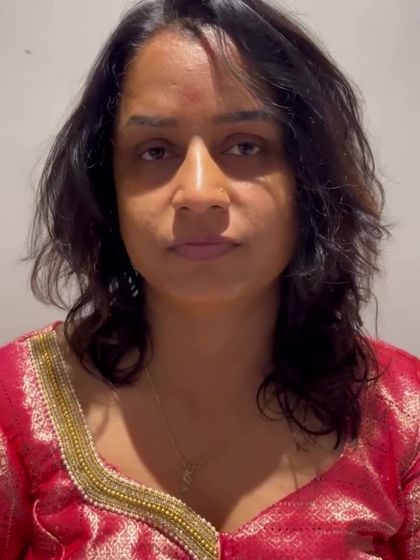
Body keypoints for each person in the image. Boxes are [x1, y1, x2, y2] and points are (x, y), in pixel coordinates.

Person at [0, 0, 418, 558]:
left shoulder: (405, 417)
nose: (198, 193)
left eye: (246, 146)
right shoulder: (15, 408)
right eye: (155, 150)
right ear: (106, 187)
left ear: (308, 180)